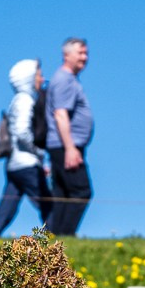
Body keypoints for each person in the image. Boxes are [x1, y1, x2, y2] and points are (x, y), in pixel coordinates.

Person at [0, 58, 47, 238]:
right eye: (39, 75)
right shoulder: (25, 100)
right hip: (27, 164)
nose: (42, 79)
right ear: (28, 78)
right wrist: (39, 153)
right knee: (48, 204)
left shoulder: (17, 100)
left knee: (7, 207)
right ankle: (58, 238)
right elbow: (22, 132)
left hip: (14, 164)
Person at [43, 37, 93, 236]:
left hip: (62, 146)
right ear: (67, 55)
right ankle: (66, 237)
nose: (85, 57)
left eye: (86, 53)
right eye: (80, 53)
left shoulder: (68, 79)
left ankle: (55, 241)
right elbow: (60, 114)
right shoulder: (64, 80)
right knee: (81, 191)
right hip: (66, 146)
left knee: (62, 194)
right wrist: (70, 148)